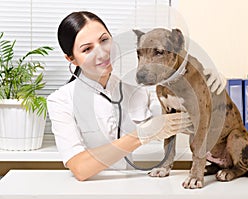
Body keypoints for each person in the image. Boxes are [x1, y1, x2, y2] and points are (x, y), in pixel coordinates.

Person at [47, 11, 226, 181]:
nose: (101, 53)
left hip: (131, 185)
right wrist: (140, 136)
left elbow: (180, 121)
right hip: (88, 190)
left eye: (104, 40)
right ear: (71, 59)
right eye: (87, 49)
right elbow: (79, 168)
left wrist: (206, 83)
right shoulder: (61, 101)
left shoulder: (137, 89)